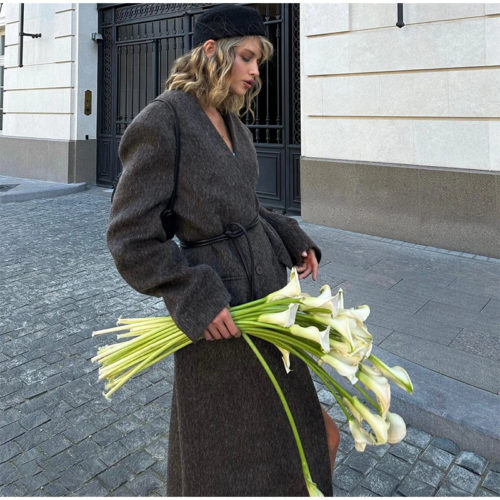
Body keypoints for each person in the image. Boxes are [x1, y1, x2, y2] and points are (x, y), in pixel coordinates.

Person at [107, 4, 339, 496]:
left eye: (259, 61)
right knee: (230, 468)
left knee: (318, 440)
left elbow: (245, 209)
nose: (257, 72)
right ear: (213, 51)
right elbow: (130, 237)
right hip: (222, 322)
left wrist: (292, 236)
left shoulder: (234, 123)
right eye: (249, 58)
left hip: (271, 312)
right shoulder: (163, 121)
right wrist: (192, 294)